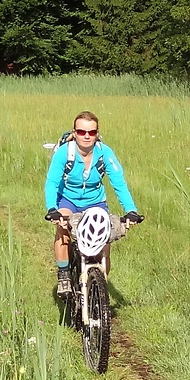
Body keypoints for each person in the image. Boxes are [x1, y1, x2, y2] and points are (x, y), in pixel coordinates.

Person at [43, 111, 142, 295]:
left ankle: (99, 286)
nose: (86, 136)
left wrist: (131, 210)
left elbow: (119, 182)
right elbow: (52, 182)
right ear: (75, 132)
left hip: (95, 202)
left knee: (104, 242)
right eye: (81, 132)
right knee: (63, 230)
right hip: (68, 200)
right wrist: (52, 209)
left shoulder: (104, 153)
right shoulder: (65, 153)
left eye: (91, 132)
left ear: (97, 133)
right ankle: (64, 274)